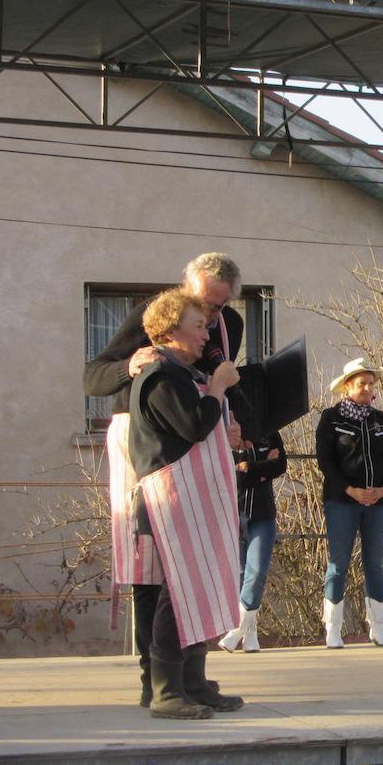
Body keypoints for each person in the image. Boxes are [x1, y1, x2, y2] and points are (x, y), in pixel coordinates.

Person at [83, 252, 242, 707]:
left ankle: (191, 679)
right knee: (156, 569)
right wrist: (130, 366)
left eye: (219, 308)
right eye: (203, 308)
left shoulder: (224, 325)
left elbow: (216, 394)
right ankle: (157, 682)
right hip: (151, 450)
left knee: (196, 569)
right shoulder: (152, 321)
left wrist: (233, 425)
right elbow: (92, 379)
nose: (212, 320)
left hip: (196, 451)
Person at [127, 288, 244, 719]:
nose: (207, 334)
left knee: (196, 589)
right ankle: (166, 690)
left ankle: (193, 683)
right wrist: (217, 387)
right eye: (198, 326)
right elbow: (194, 426)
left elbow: (201, 426)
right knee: (176, 594)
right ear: (171, 330)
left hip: (192, 498)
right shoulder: (160, 377)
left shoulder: (182, 376)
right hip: (171, 499)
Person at [315, 358, 383, 649]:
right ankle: (333, 627)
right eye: (361, 383)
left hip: (378, 502)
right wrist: (350, 489)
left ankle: (378, 626)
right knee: (338, 563)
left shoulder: (381, 419)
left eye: (371, 383)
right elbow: (326, 461)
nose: (367, 388)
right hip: (342, 501)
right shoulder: (331, 418)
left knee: (375, 563)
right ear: (348, 386)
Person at [218, 428, 287, 653]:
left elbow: (280, 465)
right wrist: (260, 469)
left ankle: (237, 630)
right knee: (241, 575)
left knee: (256, 572)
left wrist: (249, 468)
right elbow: (224, 474)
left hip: (263, 514)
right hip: (232, 515)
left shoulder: (268, 433)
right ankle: (250, 633)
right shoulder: (222, 435)